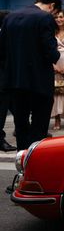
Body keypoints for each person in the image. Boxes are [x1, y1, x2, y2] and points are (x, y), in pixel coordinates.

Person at [0, 0, 61, 151]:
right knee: (39, 128)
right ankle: (35, 163)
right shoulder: (44, 18)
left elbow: (2, 51)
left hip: (15, 83)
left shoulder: (10, 17)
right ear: (52, 6)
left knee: (20, 127)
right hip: (39, 83)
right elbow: (51, 53)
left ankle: (22, 164)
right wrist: (57, 51)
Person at [0, 10, 16, 152]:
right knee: (1, 113)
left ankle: (23, 130)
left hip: (11, 81)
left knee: (18, 109)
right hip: (2, 83)